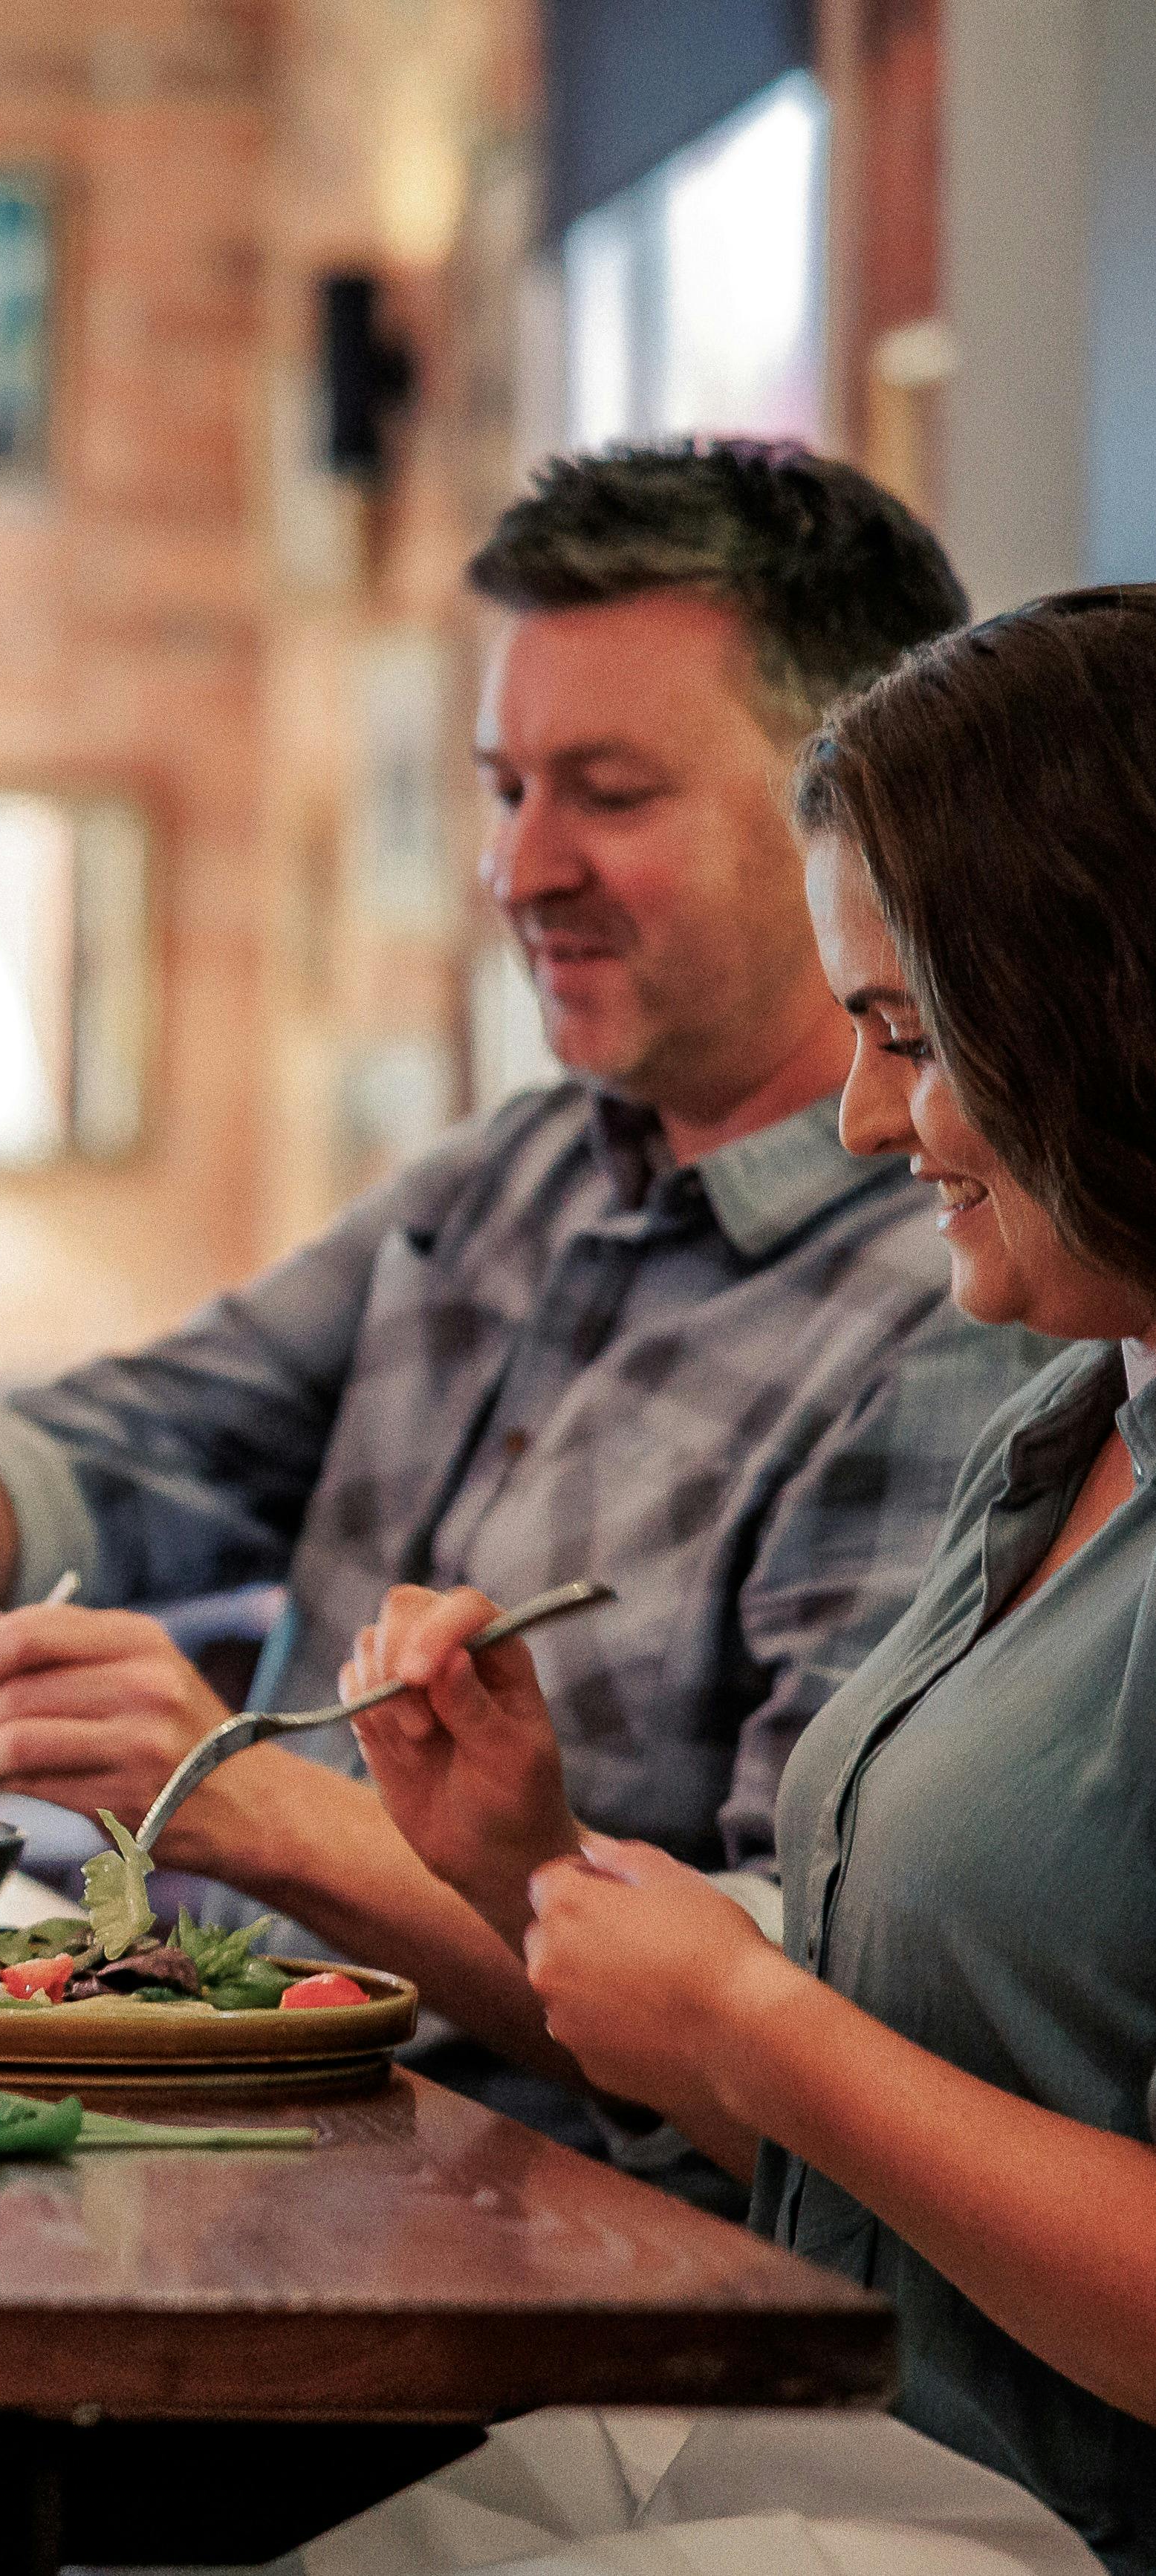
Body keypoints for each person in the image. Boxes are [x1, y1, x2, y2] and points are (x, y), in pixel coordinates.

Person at [0, 440, 1048, 2191]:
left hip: (544, 2241)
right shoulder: (515, 1173)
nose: (519, 868)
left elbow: (795, 2015)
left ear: (838, 837)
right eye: (505, 789)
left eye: (608, 795)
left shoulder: (961, 1303)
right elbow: (153, 1432)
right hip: (217, 2142)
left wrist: (255, 1813)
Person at [315, 587, 1156, 2576]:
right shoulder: (1065, 1428)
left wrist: (757, 2023)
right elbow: (904, 2151)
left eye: (905, 1039)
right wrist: (525, 1867)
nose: (864, 1119)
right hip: (837, 2449)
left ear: (1104, 1013)